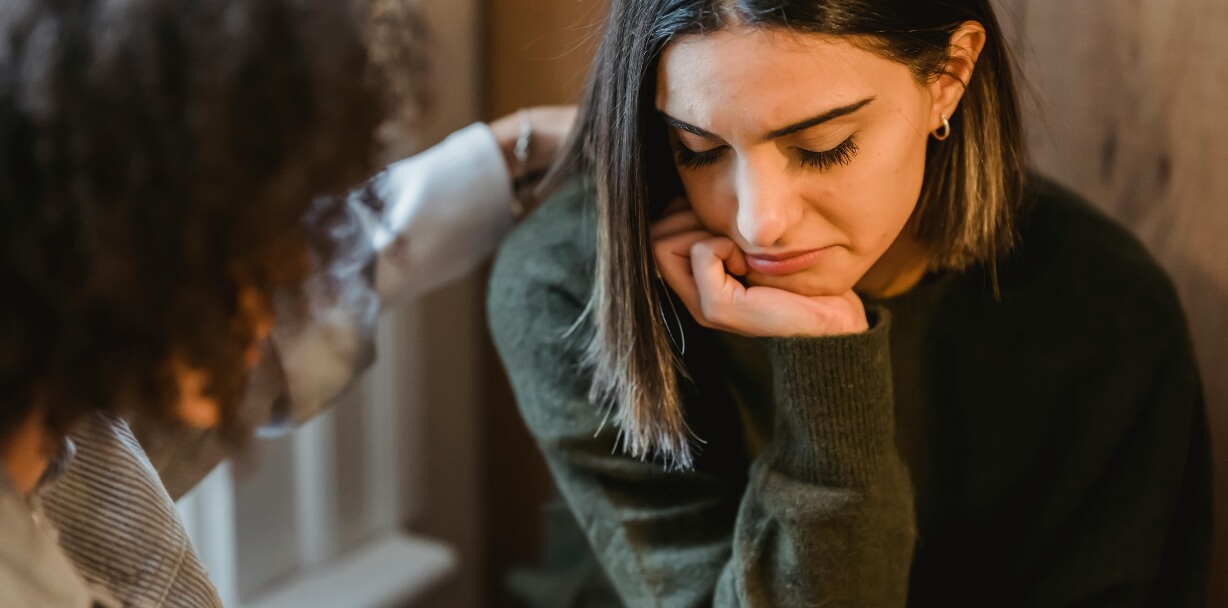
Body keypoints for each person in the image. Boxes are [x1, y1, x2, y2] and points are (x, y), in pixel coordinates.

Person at [488, 0, 1212, 605]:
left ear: (950, 77)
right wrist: (828, 375)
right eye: (699, 149)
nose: (755, 221)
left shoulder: (1103, 311)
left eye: (824, 145)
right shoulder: (574, 286)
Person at [0, 0, 573, 605]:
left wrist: (520, 149)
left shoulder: (76, 396)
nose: (275, 310)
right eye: (259, 253)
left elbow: (340, 280)